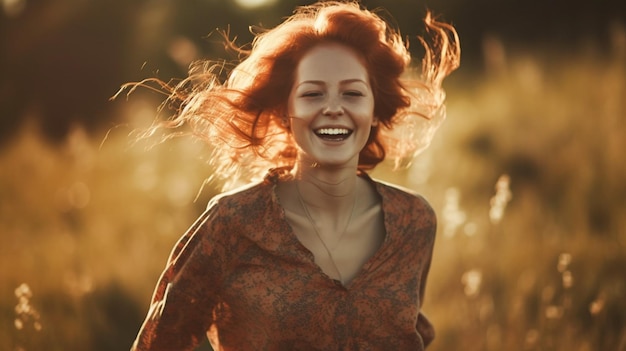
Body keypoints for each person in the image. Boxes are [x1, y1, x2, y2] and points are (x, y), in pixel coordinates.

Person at [126, 1, 460, 350]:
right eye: (313, 93)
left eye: (353, 93)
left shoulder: (415, 222)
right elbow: (159, 343)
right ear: (286, 112)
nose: (333, 108)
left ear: (375, 110)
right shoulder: (232, 223)